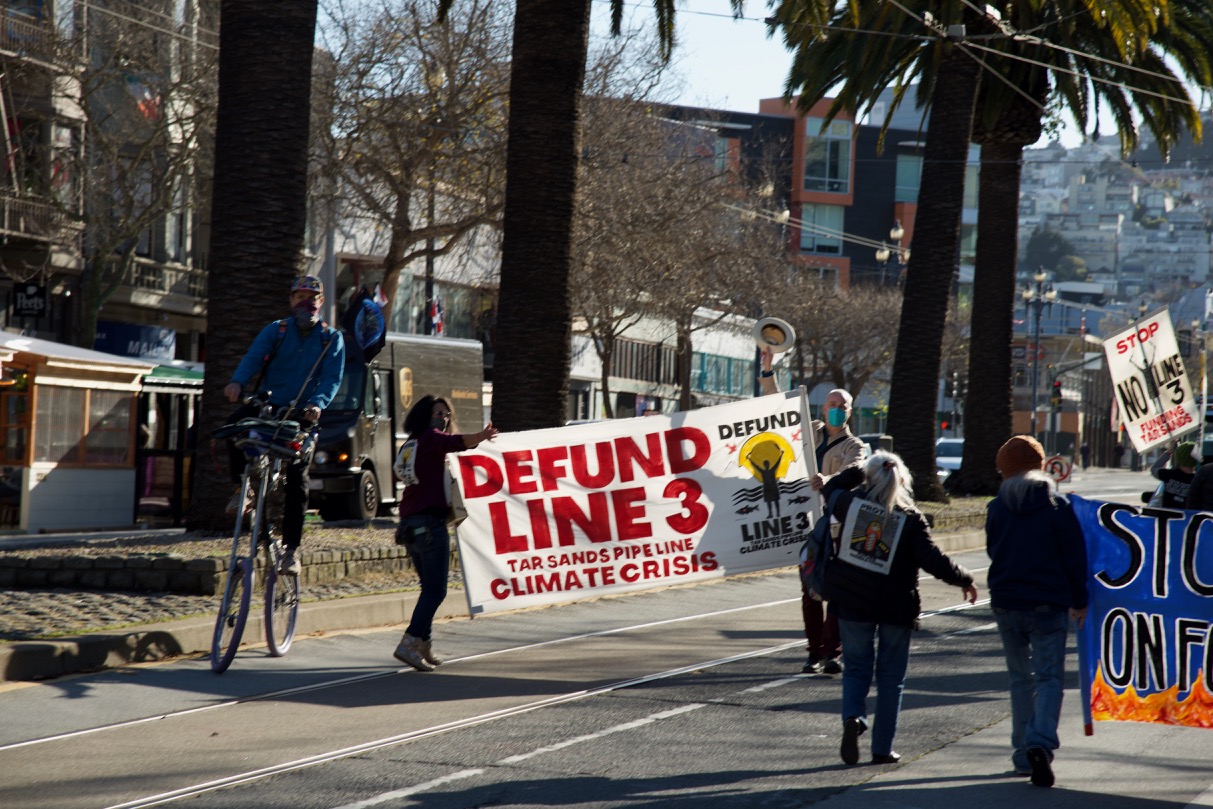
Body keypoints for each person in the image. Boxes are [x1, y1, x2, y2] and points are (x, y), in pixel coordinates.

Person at [821, 450, 978, 767]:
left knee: (856, 669)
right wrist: (964, 579)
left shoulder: (850, 505)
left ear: (869, 477)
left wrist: (857, 471)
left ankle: (853, 717)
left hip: (852, 603)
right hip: (895, 607)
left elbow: (831, 487)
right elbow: (934, 560)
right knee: (891, 679)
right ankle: (882, 749)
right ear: (903, 481)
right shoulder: (910, 519)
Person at [224, 275, 345, 576]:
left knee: (297, 477)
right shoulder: (276, 330)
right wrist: (237, 382)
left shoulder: (331, 339)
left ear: (321, 302)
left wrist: (317, 403)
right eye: (299, 297)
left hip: (302, 415)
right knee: (232, 427)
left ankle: (291, 550)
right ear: (291, 301)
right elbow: (253, 358)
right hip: (268, 406)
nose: (306, 303)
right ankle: (243, 489)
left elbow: (332, 378)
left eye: (312, 297)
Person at [986, 435, 1089, 788]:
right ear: (1041, 465)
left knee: (1019, 680)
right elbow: (1074, 557)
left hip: (1006, 601)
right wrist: (1080, 599)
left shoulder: (996, 507)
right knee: (1049, 679)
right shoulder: (1056, 506)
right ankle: (1040, 745)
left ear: (1004, 470)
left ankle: (1020, 755)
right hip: (1048, 603)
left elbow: (992, 550)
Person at [759, 347, 867, 674]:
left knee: (833, 591)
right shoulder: (810, 430)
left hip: (835, 529)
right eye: (831, 405)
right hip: (806, 528)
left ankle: (831, 652)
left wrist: (828, 479)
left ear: (850, 411)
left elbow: (857, 472)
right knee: (809, 590)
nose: (835, 410)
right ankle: (813, 652)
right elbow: (779, 407)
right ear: (824, 407)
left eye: (841, 406)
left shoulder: (855, 446)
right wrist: (767, 370)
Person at [392, 395, 497, 671]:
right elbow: (457, 442)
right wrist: (484, 435)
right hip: (430, 529)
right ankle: (410, 642)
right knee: (436, 591)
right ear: (425, 415)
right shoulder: (432, 438)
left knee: (428, 588)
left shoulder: (410, 444)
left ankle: (424, 645)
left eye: (446, 414)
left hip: (409, 528)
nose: (443, 418)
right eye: (437, 413)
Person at [1149, 441, 1196, 509]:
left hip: (1167, 517)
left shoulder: (1168, 475)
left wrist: (1168, 452)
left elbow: (1154, 468)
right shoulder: (1199, 479)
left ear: (1178, 457)